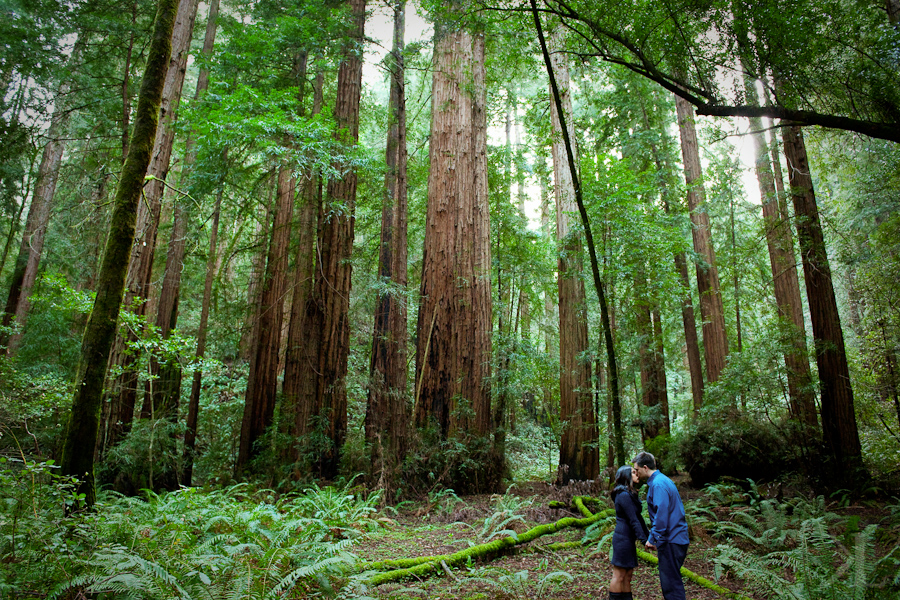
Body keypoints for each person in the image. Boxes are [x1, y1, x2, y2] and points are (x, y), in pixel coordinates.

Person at [632, 451, 689, 600]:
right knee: (672, 581)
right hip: (674, 538)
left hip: (672, 539)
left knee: (671, 585)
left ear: (645, 467)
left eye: (637, 470)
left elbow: (661, 514)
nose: (636, 474)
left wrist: (653, 538)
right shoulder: (662, 480)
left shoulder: (658, 484)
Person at [608, 466, 649, 600]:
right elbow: (633, 519)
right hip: (622, 538)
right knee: (619, 574)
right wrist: (644, 540)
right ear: (626, 476)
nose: (636, 473)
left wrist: (648, 536)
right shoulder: (623, 495)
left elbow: (639, 518)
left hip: (628, 539)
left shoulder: (629, 493)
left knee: (628, 574)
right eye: (632, 472)